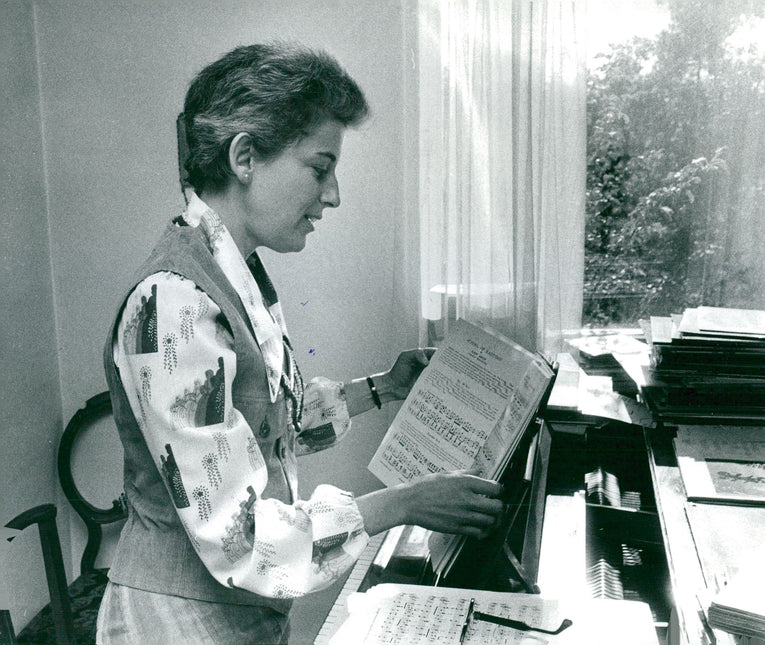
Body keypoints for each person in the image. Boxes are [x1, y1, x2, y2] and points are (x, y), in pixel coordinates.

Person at [96, 41, 504, 644]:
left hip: (233, 615)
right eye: (319, 167)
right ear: (244, 157)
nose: (332, 194)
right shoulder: (174, 303)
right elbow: (238, 536)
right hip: (176, 623)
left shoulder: (230, 274)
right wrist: (400, 504)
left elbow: (258, 432)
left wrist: (384, 388)